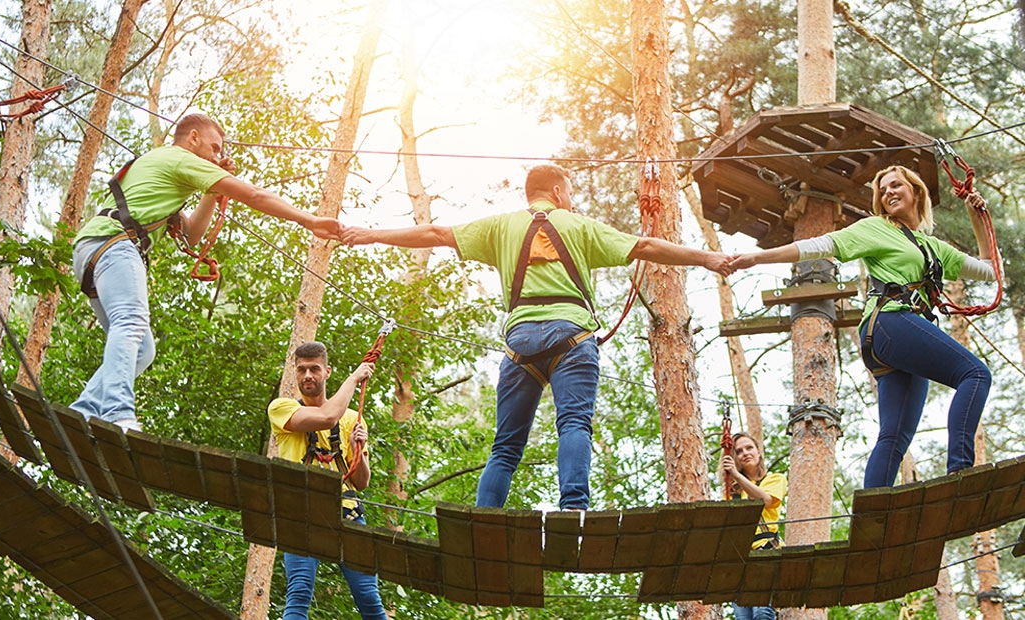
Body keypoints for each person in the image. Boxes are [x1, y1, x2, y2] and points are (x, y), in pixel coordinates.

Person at [342, 163, 734, 510]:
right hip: (572, 337)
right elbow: (646, 246)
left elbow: (435, 232)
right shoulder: (578, 225)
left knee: (506, 446)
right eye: (571, 193)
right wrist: (708, 258)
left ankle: (484, 518)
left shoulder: (500, 226)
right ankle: (573, 510)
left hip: (520, 344)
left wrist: (372, 234)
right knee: (574, 424)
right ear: (559, 191)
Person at [70, 113, 341, 431]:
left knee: (142, 348)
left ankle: (85, 409)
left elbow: (192, 234)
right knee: (130, 322)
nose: (218, 157)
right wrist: (308, 220)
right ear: (193, 137)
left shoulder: (164, 167)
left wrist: (211, 193)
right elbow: (253, 195)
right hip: (114, 245)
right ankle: (117, 411)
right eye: (214, 148)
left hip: (94, 249)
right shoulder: (180, 157)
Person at [730, 165, 995, 488]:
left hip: (895, 337)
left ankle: (871, 518)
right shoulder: (876, 229)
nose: (888, 194)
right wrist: (759, 258)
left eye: (896, 186)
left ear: (916, 192)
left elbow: (988, 270)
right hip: (890, 323)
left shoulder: (933, 247)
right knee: (976, 374)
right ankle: (960, 472)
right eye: (883, 191)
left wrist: (977, 217)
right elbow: (821, 245)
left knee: (894, 436)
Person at [268, 341, 386, 620]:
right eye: (302, 370)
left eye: (314, 369)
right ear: (295, 374)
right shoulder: (281, 409)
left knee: (369, 597)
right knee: (298, 593)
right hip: (301, 514)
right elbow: (326, 416)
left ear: (327, 372)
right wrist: (355, 377)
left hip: (346, 511)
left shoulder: (351, 419)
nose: (308, 375)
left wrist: (359, 449)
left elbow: (361, 482)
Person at [721, 431, 786, 620]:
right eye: (739, 451)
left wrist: (735, 475)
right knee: (743, 617)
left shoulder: (774, 479)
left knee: (761, 613)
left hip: (765, 552)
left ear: (759, 452)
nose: (745, 453)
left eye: (749, 448)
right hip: (740, 559)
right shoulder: (733, 492)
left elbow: (764, 499)